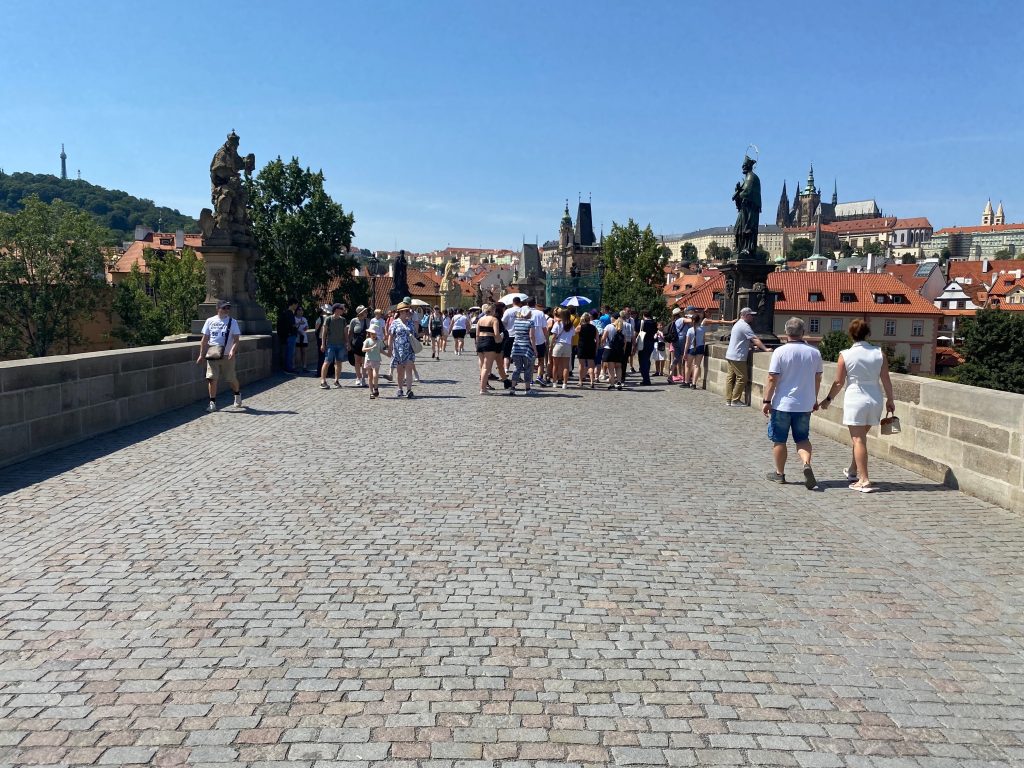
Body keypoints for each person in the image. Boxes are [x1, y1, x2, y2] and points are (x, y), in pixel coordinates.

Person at [818, 319, 896, 492]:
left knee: (858, 439)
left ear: (851, 335)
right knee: (861, 437)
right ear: (868, 334)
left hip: (856, 398)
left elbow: (839, 382)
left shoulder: (845, 354)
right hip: (875, 398)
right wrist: (891, 400)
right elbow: (886, 379)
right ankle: (853, 470)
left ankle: (864, 479)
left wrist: (828, 399)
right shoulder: (879, 353)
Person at [763, 317, 823, 490]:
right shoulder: (814, 353)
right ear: (803, 332)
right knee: (802, 439)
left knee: (779, 440)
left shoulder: (780, 352)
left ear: (786, 332)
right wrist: (814, 399)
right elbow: (817, 378)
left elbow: (772, 378)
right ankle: (806, 464)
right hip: (804, 404)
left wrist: (767, 401)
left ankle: (780, 474)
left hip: (782, 404)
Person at [197, 299, 242, 412]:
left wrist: (233, 350)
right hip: (212, 354)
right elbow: (204, 340)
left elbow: (236, 340)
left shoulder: (233, 322)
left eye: (228, 308)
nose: (226, 310)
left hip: (227, 355)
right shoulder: (209, 321)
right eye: (224, 308)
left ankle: (237, 394)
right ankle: (212, 402)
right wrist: (201, 354)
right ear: (218, 309)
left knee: (231, 378)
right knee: (212, 378)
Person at [725, 307, 769, 406]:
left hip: (731, 354)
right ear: (746, 316)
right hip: (738, 356)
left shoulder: (737, 324)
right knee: (742, 378)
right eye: (751, 315)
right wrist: (765, 349)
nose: (752, 317)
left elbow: (742, 339)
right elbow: (754, 338)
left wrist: (750, 346)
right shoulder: (744, 326)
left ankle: (728, 399)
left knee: (730, 378)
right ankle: (735, 400)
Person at [385, 301, 417, 398]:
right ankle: (400, 389)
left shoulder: (410, 322)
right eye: (406, 311)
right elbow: (390, 336)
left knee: (409, 369)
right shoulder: (395, 323)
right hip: (399, 350)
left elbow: (414, 335)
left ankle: (409, 390)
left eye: (408, 311)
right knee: (400, 371)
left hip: (410, 349)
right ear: (401, 312)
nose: (408, 313)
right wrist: (389, 348)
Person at [508, 306, 538, 396]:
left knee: (517, 368)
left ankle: (512, 388)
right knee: (528, 369)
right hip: (526, 349)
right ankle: (527, 389)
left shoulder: (516, 322)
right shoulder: (530, 322)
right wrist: (535, 349)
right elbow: (531, 337)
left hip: (516, 348)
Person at [475, 303, 504, 395]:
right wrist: (500, 340)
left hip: (480, 341)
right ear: (494, 310)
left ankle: (483, 387)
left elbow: (477, 333)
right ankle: (483, 389)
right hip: (489, 342)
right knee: (486, 368)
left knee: (482, 366)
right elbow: (496, 333)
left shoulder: (480, 319)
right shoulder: (494, 319)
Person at [319, 303, 348, 389]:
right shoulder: (328, 319)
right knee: (327, 362)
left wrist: (347, 343)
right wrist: (323, 344)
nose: (343, 310)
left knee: (338, 362)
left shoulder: (343, 320)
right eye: (341, 309)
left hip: (341, 344)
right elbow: (324, 333)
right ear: (336, 310)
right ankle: (323, 381)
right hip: (330, 344)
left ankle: (336, 380)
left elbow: (345, 332)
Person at [549, 309, 575, 389]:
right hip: (567, 345)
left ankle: (554, 382)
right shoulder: (571, 325)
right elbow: (572, 337)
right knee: (566, 366)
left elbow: (553, 336)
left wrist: (551, 345)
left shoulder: (558, 323)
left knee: (555, 365)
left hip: (558, 344)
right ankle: (565, 384)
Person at [600, 314, 624, 390]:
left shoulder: (608, 326)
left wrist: (602, 344)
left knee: (610, 368)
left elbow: (603, 337)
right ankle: (619, 382)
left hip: (609, 349)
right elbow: (625, 340)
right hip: (619, 350)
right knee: (618, 367)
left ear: (613, 318)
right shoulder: (622, 326)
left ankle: (612, 384)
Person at [348, 305, 369, 388]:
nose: (366, 313)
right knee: (357, 361)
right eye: (365, 311)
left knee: (364, 362)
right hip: (356, 343)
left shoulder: (367, 321)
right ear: (360, 313)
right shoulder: (354, 321)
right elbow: (350, 333)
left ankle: (363, 378)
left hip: (365, 343)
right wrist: (348, 343)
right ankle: (358, 377)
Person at [635, 309, 658, 386]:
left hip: (643, 342)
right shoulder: (654, 323)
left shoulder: (642, 322)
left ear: (643, 315)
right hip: (651, 343)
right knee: (647, 359)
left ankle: (646, 379)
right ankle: (646, 377)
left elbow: (636, 332)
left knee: (642, 360)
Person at [577, 311, 598, 388]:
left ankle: (580, 381)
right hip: (591, 346)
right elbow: (597, 339)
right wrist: (596, 348)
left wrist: (580, 323)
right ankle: (592, 381)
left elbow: (573, 333)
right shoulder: (594, 328)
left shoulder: (580, 327)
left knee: (581, 365)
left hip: (582, 346)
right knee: (591, 366)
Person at [362, 324, 383, 399]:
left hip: (376, 359)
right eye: (372, 334)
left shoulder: (379, 341)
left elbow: (381, 349)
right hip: (369, 359)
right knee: (370, 377)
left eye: (375, 333)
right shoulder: (367, 340)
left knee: (375, 375)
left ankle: (376, 388)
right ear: (369, 334)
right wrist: (371, 348)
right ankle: (372, 392)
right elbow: (363, 349)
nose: (373, 335)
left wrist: (388, 354)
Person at [277, 299, 298, 373]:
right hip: (291, 335)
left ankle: (286, 367)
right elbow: (292, 325)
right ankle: (289, 368)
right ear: (293, 304)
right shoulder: (290, 313)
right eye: (296, 304)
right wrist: (298, 324)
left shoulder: (284, 313)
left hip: (286, 335)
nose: (296, 306)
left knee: (287, 352)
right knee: (290, 353)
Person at [294, 305, 310, 373]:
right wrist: (299, 324)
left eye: (302, 310)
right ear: (296, 311)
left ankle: (304, 366)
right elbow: (293, 327)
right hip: (297, 337)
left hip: (304, 337)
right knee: (297, 353)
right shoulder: (294, 318)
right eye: (299, 310)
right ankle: (296, 366)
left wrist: (305, 328)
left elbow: (307, 327)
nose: (301, 311)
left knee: (304, 352)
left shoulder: (304, 319)